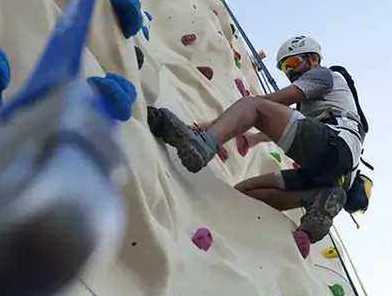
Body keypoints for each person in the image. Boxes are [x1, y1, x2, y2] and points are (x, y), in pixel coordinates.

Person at [146, 35, 366, 242]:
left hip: (336, 143)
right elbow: (285, 124)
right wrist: (254, 139)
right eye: (285, 68)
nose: (290, 73)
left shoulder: (324, 75)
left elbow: (270, 103)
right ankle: (318, 198)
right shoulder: (315, 103)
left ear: (313, 58)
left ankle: (202, 145)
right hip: (334, 171)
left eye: (293, 63)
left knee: (252, 105)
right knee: (245, 192)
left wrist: (205, 127)